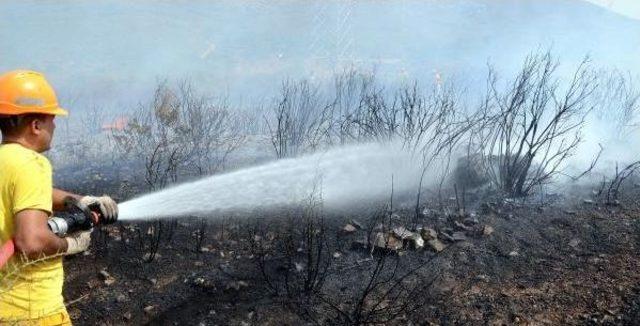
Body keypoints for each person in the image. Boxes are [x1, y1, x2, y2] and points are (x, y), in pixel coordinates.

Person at [0, 70, 118, 325]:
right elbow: (30, 241)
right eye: (52, 118)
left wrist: (80, 200)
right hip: (33, 312)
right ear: (35, 125)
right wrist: (71, 244)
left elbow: (25, 193)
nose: (54, 125)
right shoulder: (33, 164)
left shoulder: (6, 161)